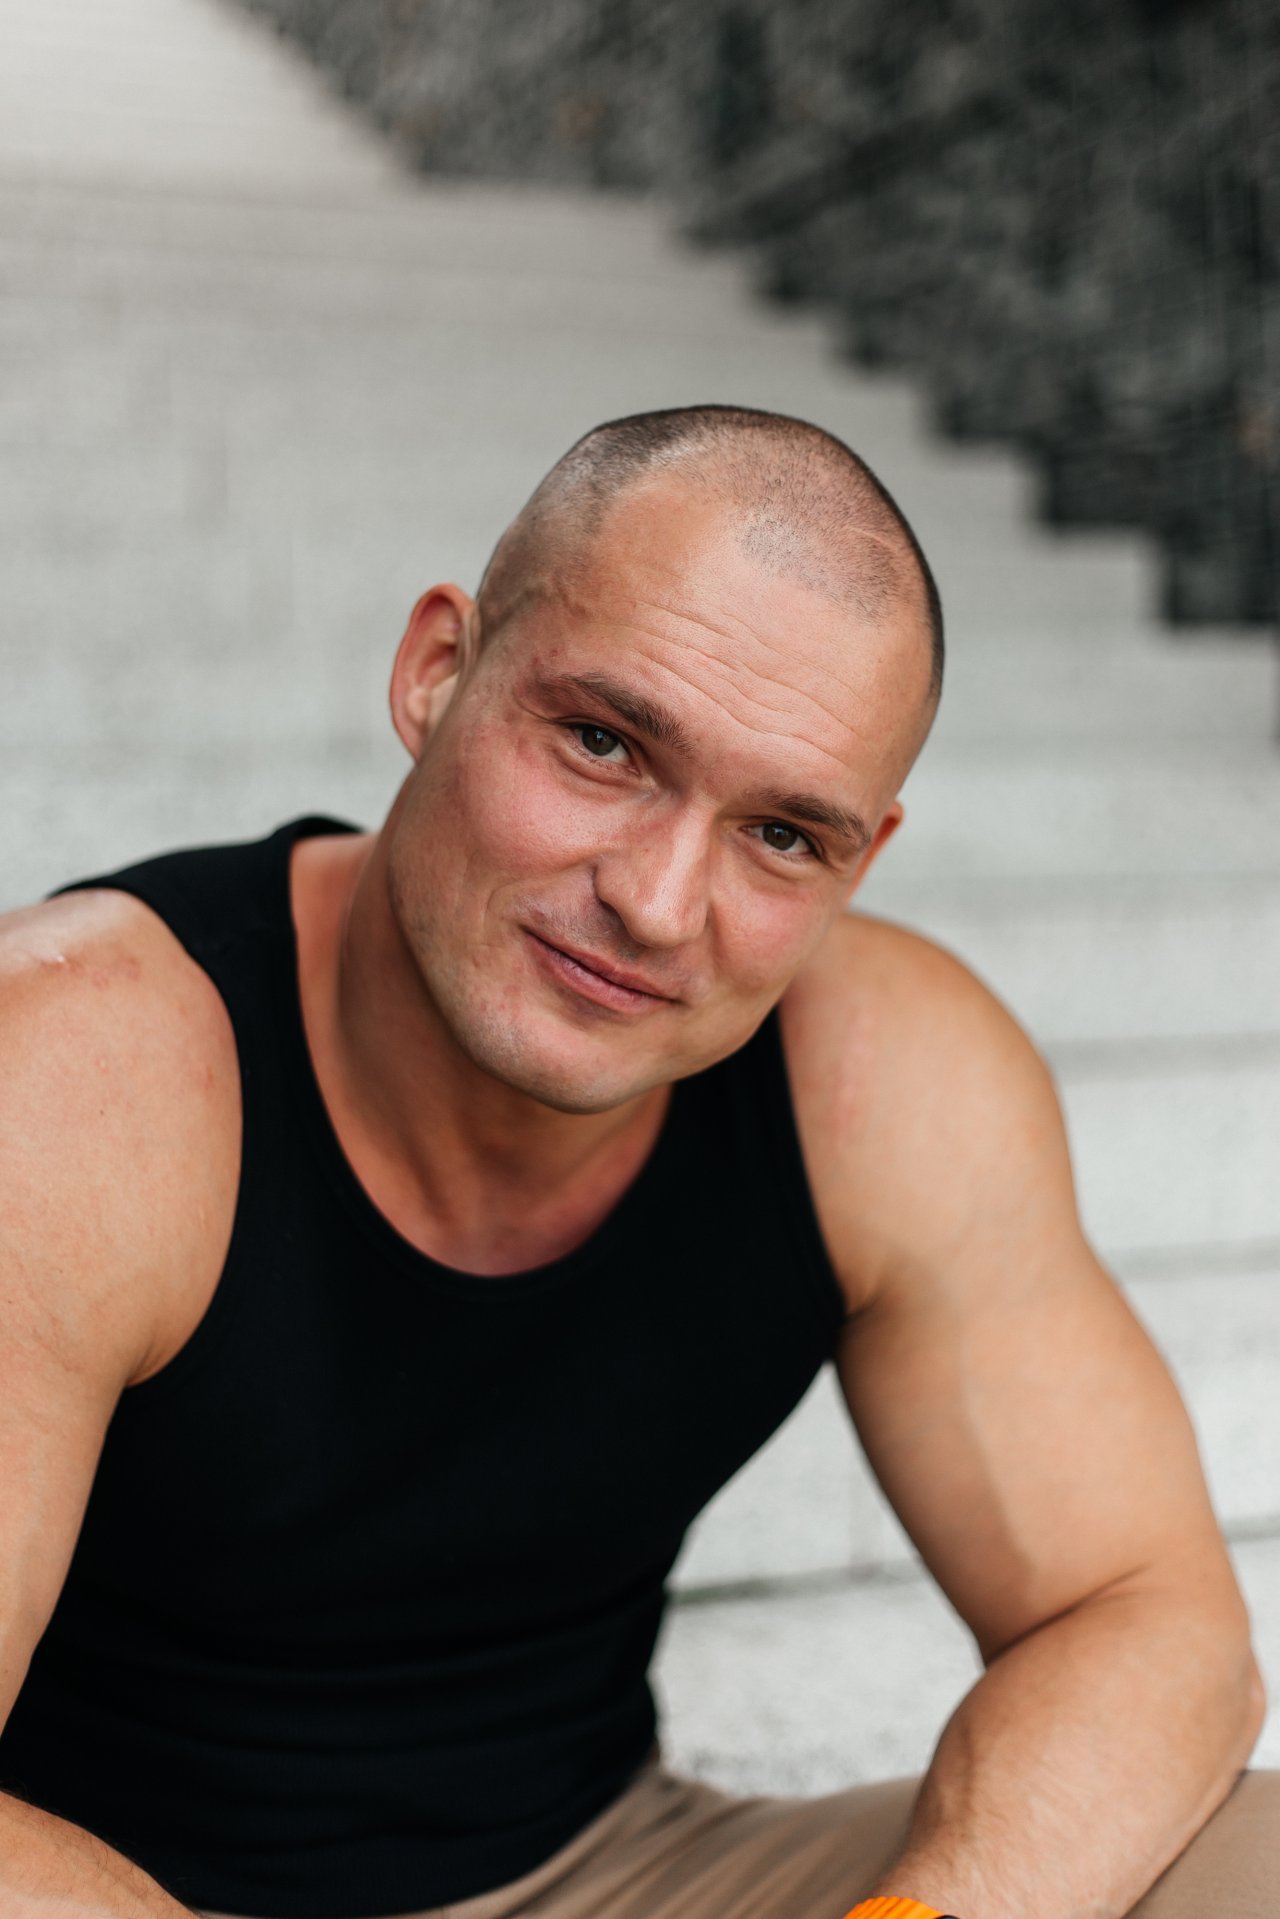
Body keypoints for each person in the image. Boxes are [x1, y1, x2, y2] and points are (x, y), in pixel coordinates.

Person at [0, 405, 1273, 1919]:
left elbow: (1144, 1616)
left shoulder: (882, 1076)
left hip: (612, 1872)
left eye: (783, 835)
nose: (661, 905)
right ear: (437, 670)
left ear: (861, 862)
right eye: (605, 744)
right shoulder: (77, 1069)